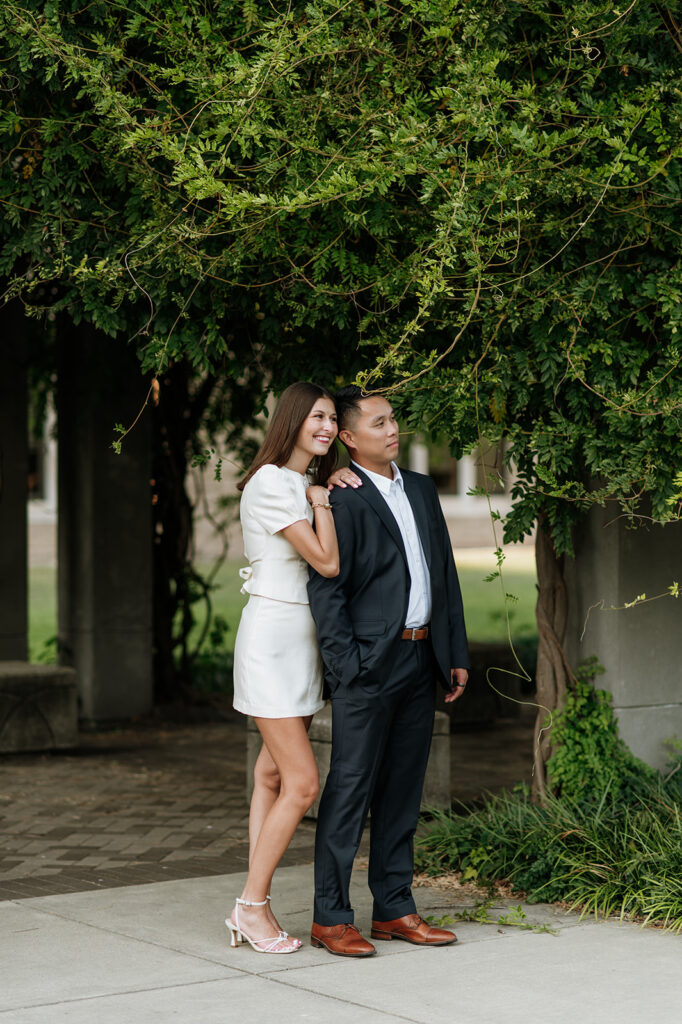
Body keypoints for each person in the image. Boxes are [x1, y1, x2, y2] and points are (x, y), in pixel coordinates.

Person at [307, 385, 470, 957]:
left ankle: (394, 910)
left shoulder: (422, 488)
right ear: (349, 439)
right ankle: (330, 916)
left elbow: (442, 574)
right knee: (349, 789)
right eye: (378, 423)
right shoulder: (339, 498)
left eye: (393, 419)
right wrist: (346, 667)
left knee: (403, 791)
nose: (392, 429)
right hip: (367, 668)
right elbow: (328, 590)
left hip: (420, 659)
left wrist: (454, 653)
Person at [227, 381, 360, 955]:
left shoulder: (296, 483)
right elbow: (326, 562)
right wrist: (322, 500)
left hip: (299, 643)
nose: (327, 427)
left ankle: (254, 902)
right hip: (274, 640)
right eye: (317, 417)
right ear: (292, 421)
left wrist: (316, 488)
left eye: (332, 418)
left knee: (272, 777)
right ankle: (251, 907)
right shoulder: (272, 483)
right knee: (303, 783)